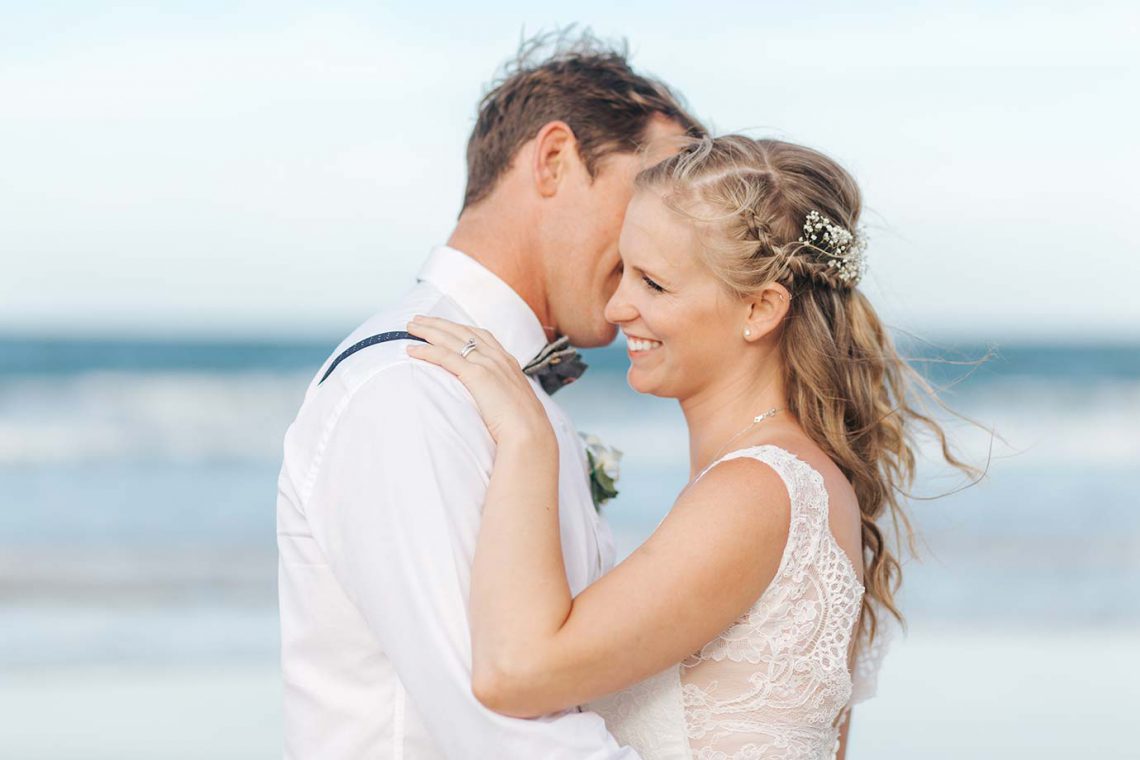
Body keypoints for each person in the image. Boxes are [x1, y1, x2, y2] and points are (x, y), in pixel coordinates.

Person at [406, 135, 977, 759]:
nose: (617, 305)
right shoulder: (792, 479)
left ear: (759, 308)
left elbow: (512, 674)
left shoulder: (756, 491)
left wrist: (525, 440)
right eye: (622, 268)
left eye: (653, 283)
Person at [276, 32, 702, 759]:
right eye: (654, 193)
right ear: (555, 160)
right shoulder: (406, 390)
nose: (667, 246)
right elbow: (499, 731)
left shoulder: (504, 392)